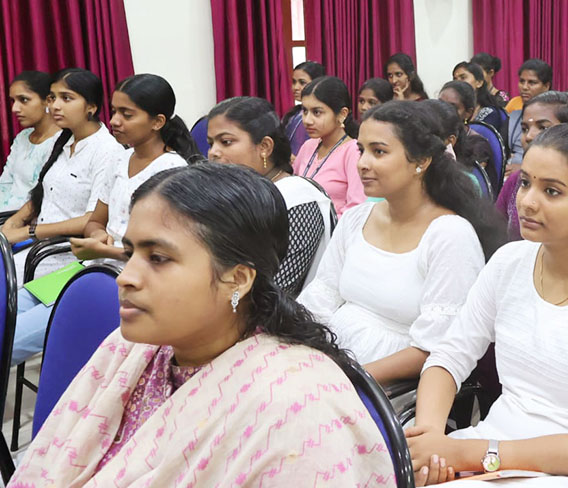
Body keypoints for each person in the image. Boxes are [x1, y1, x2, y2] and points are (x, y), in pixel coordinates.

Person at [10, 163, 394, 485]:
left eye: (157, 257)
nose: (125, 276)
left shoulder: (296, 411)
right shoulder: (131, 348)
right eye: (130, 253)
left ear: (238, 279)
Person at [406, 124, 568, 487]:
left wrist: (465, 454)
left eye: (552, 191)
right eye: (526, 182)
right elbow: (448, 357)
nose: (527, 200)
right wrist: (431, 443)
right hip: (500, 444)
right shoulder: (509, 262)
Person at [298, 101, 505, 384]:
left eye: (379, 152)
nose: (362, 164)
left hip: (390, 383)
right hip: (334, 358)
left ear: (421, 161)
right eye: (361, 150)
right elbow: (322, 296)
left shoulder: (449, 235)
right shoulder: (356, 218)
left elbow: (435, 350)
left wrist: (348, 379)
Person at [11, 74, 196, 366]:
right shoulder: (122, 160)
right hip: (90, 268)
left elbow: (163, 255)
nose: (115, 121)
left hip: (131, 281)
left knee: (9, 341)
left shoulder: (173, 173)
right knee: (8, 313)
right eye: (115, 111)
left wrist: (104, 250)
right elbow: (96, 221)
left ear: (157, 122)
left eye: (127, 114)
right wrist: (97, 235)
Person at [1, 68, 121, 283]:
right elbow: (42, 194)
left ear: (91, 107)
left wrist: (27, 232)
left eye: (66, 98)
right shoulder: (62, 141)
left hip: (66, 256)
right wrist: (13, 222)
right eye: (52, 97)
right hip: (38, 248)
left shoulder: (107, 151)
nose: (55, 106)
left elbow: (93, 219)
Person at [208, 97, 334, 294]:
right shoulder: (238, 196)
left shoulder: (297, 199)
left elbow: (276, 293)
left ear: (265, 147)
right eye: (211, 143)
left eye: (226, 142)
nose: (213, 152)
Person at [497, 92, 568, 240]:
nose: (529, 136)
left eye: (543, 128)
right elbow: (495, 231)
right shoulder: (514, 181)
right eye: (524, 128)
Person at [292, 75, 366, 216]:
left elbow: (356, 209)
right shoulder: (308, 146)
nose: (307, 120)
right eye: (305, 111)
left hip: (337, 234)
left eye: (317, 112)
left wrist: (321, 229)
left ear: (342, 114)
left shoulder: (354, 151)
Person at [0, 71, 60, 213]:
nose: (15, 109)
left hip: (31, 221)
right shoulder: (23, 138)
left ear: (47, 100)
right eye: (13, 101)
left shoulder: (62, 142)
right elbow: (5, 183)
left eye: (24, 100)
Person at [438, 81, 495, 178]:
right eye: (440, 104)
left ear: (468, 113)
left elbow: (469, 185)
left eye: (452, 107)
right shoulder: (433, 135)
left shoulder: (477, 146)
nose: (443, 111)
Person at [506, 59, 553, 171]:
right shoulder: (514, 116)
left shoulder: (555, 117)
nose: (525, 87)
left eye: (532, 83)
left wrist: (523, 168)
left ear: (546, 86)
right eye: (522, 81)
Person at [282, 61, 325, 156]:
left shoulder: (323, 116)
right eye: (294, 82)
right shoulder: (293, 114)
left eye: (302, 82)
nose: (295, 87)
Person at [453, 61, 507, 133]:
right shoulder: (456, 110)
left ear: (479, 83)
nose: (457, 83)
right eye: (455, 79)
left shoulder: (491, 113)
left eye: (463, 77)